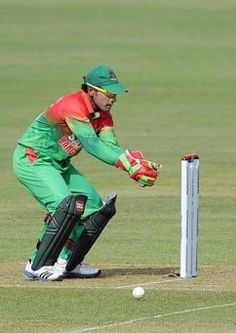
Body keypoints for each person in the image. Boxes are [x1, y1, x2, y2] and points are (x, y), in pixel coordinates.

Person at [12, 65, 161, 281]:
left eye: (115, 94)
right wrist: (127, 165)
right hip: (33, 159)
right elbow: (92, 145)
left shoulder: (104, 116)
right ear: (92, 91)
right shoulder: (73, 105)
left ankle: (67, 262)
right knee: (64, 205)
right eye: (108, 93)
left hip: (59, 164)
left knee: (92, 205)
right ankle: (37, 264)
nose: (113, 99)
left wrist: (134, 161)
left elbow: (110, 146)